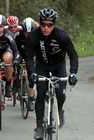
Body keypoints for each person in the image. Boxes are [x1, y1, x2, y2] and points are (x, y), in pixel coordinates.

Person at [25, 8, 78, 140]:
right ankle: (39, 126)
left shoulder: (61, 35)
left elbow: (73, 54)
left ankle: (59, 109)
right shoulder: (33, 36)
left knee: (60, 93)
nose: (46, 28)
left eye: (49, 25)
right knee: (41, 94)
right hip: (42, 66)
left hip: (58, 66)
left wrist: (73, 73)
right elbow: (28, 57)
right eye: (43, 24)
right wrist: (32, 73)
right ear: (40, 23)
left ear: (54, 24)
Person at [14, 17, 39, 111]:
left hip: (31, 55)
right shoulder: (17, 34)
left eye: (30, 32)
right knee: (15, 64)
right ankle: (16, 82)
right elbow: (13, 47)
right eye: (26, 32)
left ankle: (31, 98)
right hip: (20, 53)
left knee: (31, 73)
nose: (27, 34)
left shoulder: (37, 35)